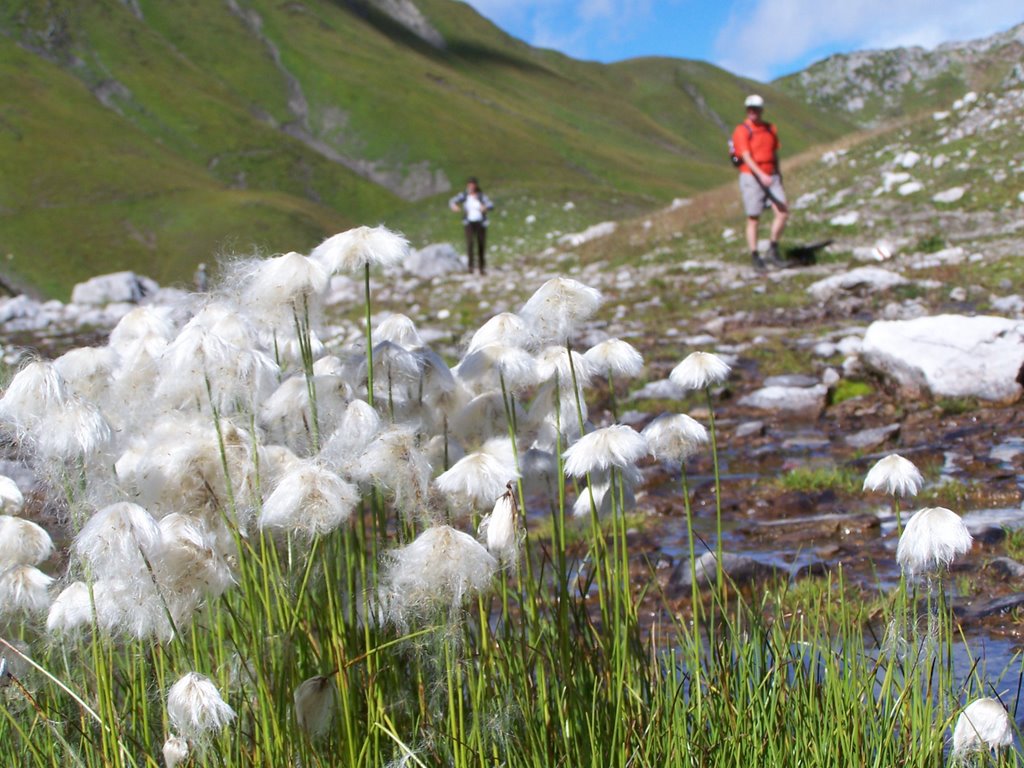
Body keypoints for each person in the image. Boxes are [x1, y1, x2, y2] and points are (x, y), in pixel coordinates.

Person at [732, 94, 788, 270]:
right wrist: (760, 174)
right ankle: (755, 255)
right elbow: (746, 156)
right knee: (753, 217)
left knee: (782, 211)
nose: (752, 112)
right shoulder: (742, 130)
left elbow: (774, 152)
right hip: (751, 176)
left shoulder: (770, 129)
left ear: (761, 110)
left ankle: (773, 248)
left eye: (755, 109)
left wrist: (777, 173)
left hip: (771, 174)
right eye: (750, 109)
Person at [449, 178, 494, 274]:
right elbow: (452, 201)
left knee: (481, 244)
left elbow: (491, 205)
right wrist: (454, 206)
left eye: (473, 185)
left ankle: (482, 267)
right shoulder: (464, 196)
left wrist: (485, 207)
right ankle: (470, 267)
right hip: (468, 223)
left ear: (476, 186)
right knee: (470, 244)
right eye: (470, 185)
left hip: (481, 223)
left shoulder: (481, 196)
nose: (471, 187)